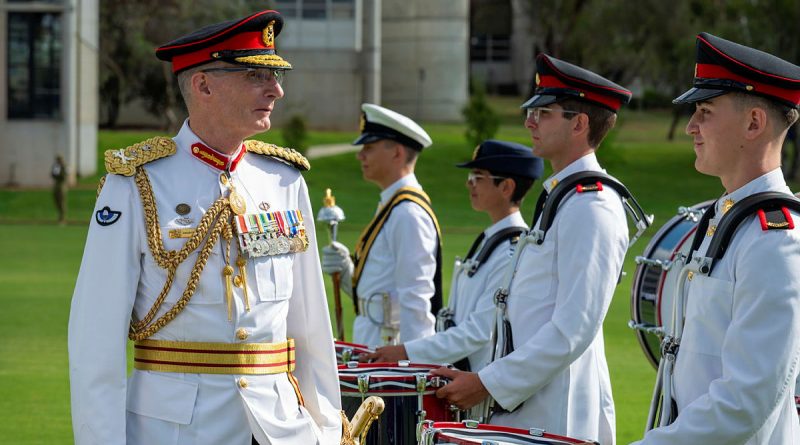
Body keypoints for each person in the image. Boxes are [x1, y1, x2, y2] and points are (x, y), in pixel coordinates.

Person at [68, 10, 341, 445]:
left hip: (281, 428)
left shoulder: (284, 179)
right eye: (257, 77)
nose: (277, 90)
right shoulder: (135, 183)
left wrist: (328, 429)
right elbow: (94, 342)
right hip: (176, 431)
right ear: (204, 84)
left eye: (275, 77)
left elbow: (310, 326)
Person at [433, 54, 636, 445]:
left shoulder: (592, 205)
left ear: (579, 123)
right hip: (531, 406)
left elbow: (573, 328)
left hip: (558, 413)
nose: (529, 122)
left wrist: (488, 383)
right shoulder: (564, 197)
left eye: (544, 113)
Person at [633, 32, 800, 445]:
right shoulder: (725, 218)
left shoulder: (774, 238)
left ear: (754, 123)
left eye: (705, 111)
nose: (691, 126)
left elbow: (746, 401)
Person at [363, 140, 543, 381]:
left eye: (478, 177)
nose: (469, 184)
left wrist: (407, 351)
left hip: (481, 382)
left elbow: (479, 331)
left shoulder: (511, 251)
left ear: (506, 187)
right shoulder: (491, 240)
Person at [321, 103, 440, 348]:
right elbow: (384, 284)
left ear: (396, 153)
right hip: (377, 340)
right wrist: (348, 274)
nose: (360, 155)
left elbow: (416, 297)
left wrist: (415, 370)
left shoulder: (407, 212)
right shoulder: (394, 205)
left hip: (390, 348)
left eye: (369, 147)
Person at [51, 154, 67, 224]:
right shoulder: (56, 166)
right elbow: (52, 175)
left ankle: (62, 219)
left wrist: (58, 173)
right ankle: (59, 218)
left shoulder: (63, 166)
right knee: (56, 202)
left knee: (61, 203)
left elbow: (64, 176)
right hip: (56, 186)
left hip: (61, 186)